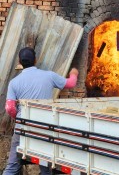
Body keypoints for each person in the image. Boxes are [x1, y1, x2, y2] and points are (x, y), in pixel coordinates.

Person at [3, 47, 79, 175]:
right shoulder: (49, 76)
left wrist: (18, 118)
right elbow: (71, 84)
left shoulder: (14, 83)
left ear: (20, 62)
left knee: (12, 167)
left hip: (23, 128)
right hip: (44, 128)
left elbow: (9, 107)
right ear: (36, 60)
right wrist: (74, 73)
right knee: (45, 166)